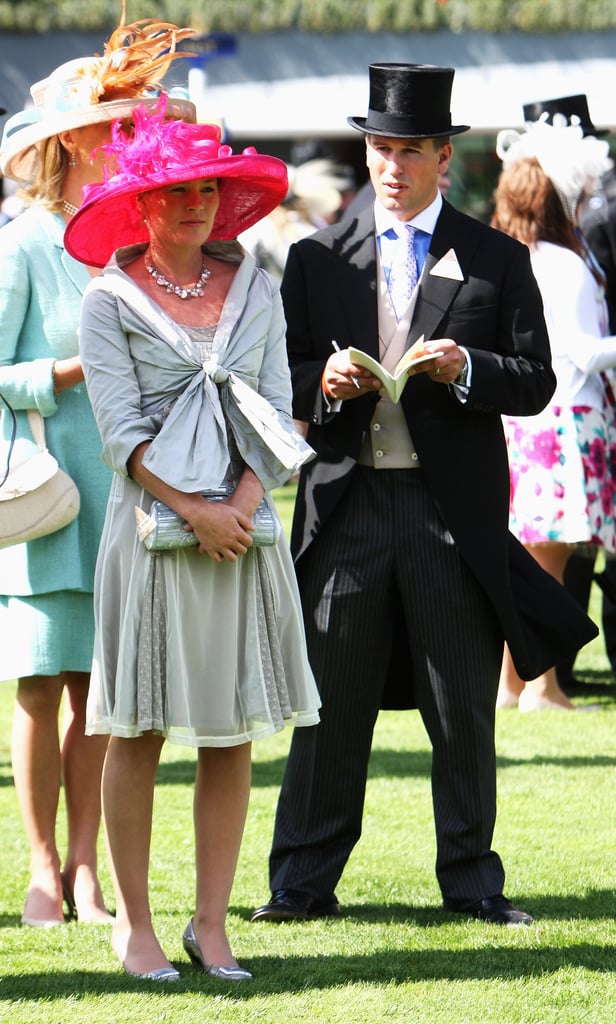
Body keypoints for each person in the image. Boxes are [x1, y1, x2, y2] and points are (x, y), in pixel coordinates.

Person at [249, 62, 598, 929]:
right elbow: (280, 378)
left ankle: (475, 883)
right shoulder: (316, 256)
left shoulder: (496, 258)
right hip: (347, 509)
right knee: (328, 708)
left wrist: (468, 367)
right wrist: (322, 382)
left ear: (446, 156)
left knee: (461, 708)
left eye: (410, 150)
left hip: (451, 518)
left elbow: (537, 379)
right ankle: (300, 883)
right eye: (379, 148)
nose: (392, 165)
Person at [64, 101, 320, 981]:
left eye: (206, 189)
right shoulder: (107, 298)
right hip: (151, 537)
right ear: (139, 203)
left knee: (231, 732)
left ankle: (211, 927)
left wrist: (243, 502)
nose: (194, 204)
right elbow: (117, 433)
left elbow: (280, 404)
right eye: (175, 191)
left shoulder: (257, 285)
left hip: (243, 531)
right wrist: (197, 509)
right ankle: (134, 927)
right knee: (135, 729)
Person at [0, 17, 196, 928]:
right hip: (47, 488)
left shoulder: (129, 236)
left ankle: (86, 866)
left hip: (125, 485)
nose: (128, 134)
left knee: (103, 693)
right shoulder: (24, 241)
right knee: (42, 685)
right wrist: (72, 369)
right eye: (114, 121)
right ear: (75, 137)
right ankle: (42, 865)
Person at [492, 114, 616, 710]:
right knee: (549, 562)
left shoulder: (515, 256)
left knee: (534, 557)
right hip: (566, 420)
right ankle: (541, 683)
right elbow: (584, 349)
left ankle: (513, 683)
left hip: (532, 420)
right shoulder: (564, 262)